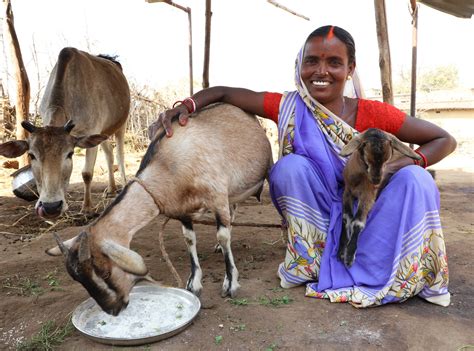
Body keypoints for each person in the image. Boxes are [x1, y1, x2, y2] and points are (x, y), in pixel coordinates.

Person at [148, 25, 456, 307]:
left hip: (370, 214)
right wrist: (185, 107)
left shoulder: (376, 114)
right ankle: (313, 261)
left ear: (350, 69)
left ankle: (387, 262)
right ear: (300, 65)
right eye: (311, 61)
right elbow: (225, 93)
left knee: (416, 178)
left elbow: (443, 139)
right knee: (288, 168)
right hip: (318, 216)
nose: (321, 71)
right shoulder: (289, 106)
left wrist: (390, 168)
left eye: (334, 62)